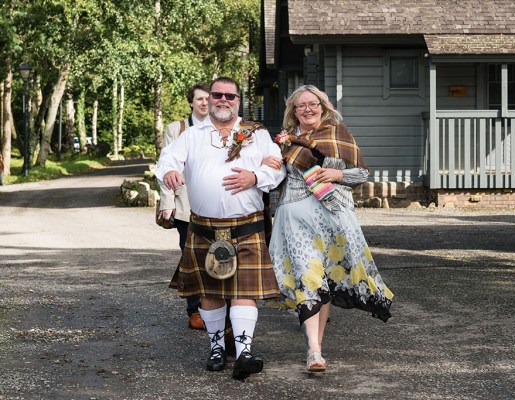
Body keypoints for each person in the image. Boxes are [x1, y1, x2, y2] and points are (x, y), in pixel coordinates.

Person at [155, 76, 285, 380]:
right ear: (210, 99)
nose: (223, 100)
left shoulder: (257, 134)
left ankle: (243, 353)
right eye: (217, 95)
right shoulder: (192, 135)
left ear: (238, 101)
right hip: (204, 226)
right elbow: (166, 159)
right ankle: (216, 348)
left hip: (247, 226)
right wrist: (170, 172)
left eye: (230, 96)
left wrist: (254, 177)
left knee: (244, 292)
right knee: (209, 291)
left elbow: (276, 166)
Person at [268, 85, 394, 372]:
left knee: (324, 280)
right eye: (301, 106)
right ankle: (313, 350)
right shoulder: (285, 142)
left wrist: (337, 173)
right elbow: (274, 180)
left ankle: (316, 346)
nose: (308, 109)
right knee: (307, 276)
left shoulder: (339, 133)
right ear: (294, 111)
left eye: (313, 104)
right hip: (296, 219)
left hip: (334, 217)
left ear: (323, 107)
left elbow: (362, 172)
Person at [159, 82, 210, 330]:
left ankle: (216, 308)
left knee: (215, 255)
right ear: (191, 102)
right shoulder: (176, 129)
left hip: (214, 204)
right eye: (200, 99)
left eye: (208, 99)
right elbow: (167, 166)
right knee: (190, 257)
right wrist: (167, 203)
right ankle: (195, 310)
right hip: (185, 205)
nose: (204, 103)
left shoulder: (219, 128)